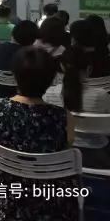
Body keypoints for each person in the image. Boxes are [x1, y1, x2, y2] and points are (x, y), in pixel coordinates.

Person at [0, 47, 78, 221]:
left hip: (4, 200)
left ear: (15, 76)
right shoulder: (64, 118)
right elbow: (65, 152)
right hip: (52, 205)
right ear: (51, 80)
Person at [44, 19, 110, 168]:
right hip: (98, 153)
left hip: (60, 153)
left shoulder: (50, 94)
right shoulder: (101, 96)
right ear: (89, 69)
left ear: (62, 67)